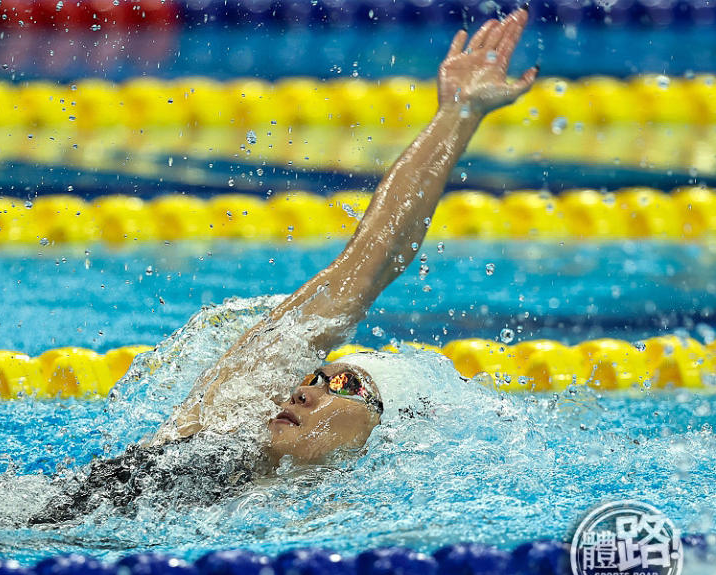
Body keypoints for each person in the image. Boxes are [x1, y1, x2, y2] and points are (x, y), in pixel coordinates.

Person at [30, 8, 538, 524]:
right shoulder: (221, 430)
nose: (305, 389)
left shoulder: (330, 516)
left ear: (379, 435)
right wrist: (457, 112)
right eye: (317, 377)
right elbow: (366, 264)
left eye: (344, 386)